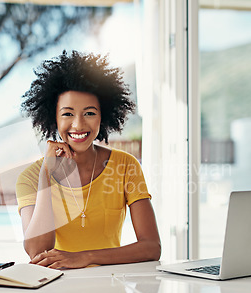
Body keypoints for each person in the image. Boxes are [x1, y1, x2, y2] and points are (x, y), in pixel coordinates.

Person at [16, 50, 161, 269]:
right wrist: (46, 174)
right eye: (67, 114)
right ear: (53, 118)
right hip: (55, 290)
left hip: (110, 287)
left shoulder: (125, 166)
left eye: (90, 113)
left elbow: (151, 247)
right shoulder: (30, 178)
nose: (78, 125)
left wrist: (86, 257)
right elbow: (38, 252)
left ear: (103, 116)